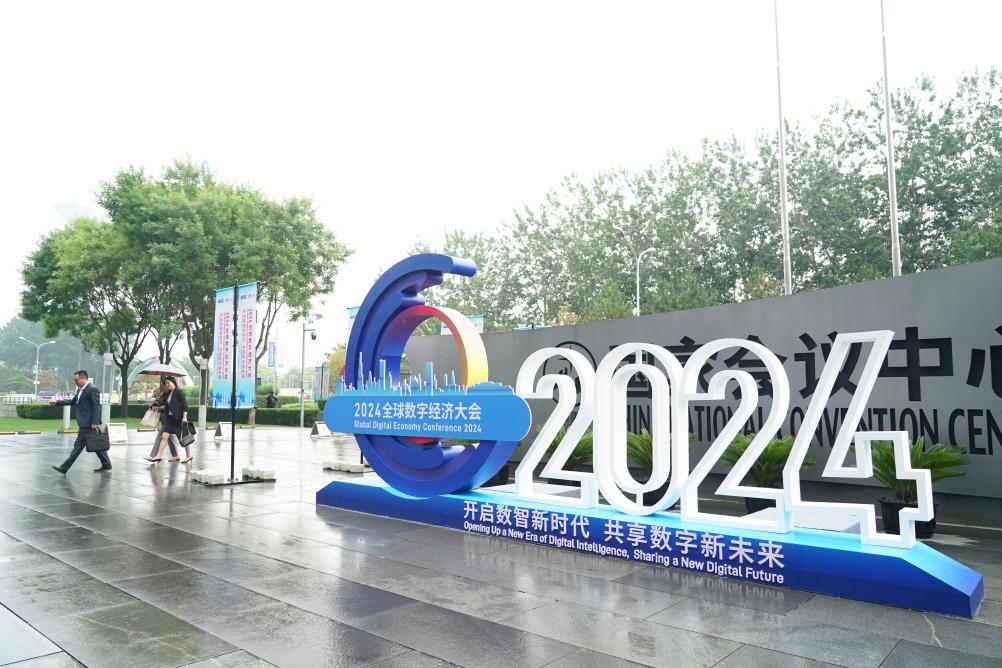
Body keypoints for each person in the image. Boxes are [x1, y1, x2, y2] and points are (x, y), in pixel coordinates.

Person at [49, 370, 111, 474]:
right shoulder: (80, 390)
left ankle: (64, 468)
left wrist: (94, 422)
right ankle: (107, 464)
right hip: (84, 423)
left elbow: (96, 406)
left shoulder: (92, 389)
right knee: (97, 444)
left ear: (84, 378)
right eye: (74, 380)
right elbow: (72, 401)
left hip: (88, 424)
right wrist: (56, 402)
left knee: (78, 447)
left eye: (76, 380)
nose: (75, 382)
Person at [145, 377, 192, 464]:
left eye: (168, 383)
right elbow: (167, 407)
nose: (167, 385)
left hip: (178, 419)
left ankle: (189, 455)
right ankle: (158, 456)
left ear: (173, 382)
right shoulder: (169, 393)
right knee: (164, 436)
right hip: (170, 419)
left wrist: (184, 417)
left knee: (183, 438)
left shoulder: (179, 392)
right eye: (166, 383)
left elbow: (185, 405)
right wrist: (158, 408)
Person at [149, 382, 179, 461]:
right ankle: (175, 455)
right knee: (168, 438)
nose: (165, 387)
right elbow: (157, 403)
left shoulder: (173, 395)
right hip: (166, 419)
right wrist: (155, 400)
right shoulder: (164, 395)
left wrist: (159, 407)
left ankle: (153, 455)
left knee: (160, 436)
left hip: (170, 420)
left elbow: (167, 407)